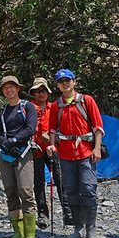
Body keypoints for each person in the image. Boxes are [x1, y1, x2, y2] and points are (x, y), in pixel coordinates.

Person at [46, 69, 105, 238]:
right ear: (57, 85)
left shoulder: (86, 100)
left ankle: (91, 229)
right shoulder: (56, 106)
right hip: (65, 154)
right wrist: (52, 144)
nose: (65, 84)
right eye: (61, 81)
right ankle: (78, 228)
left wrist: (97, 148)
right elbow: (53, 129)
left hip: (86, 152)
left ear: (74, 82)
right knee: (70, 191)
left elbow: (97, 126)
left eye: (68, 80)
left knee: (88, 189)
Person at [0, 76, 39, 238]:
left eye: (11, 87)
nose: (8, 90)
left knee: (26, 191)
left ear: (18, 89)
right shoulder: (2, 111)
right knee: (10, 191)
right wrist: (4, 143)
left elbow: (30, 129)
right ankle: (17, 233)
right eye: (5, 88)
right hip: (6, 155)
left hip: (24, 153)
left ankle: (30, 236)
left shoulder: (27, 107)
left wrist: (13, 141)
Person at [29, 77, 71, 229]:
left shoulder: (55, 107)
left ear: (48, 92)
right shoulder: (29, 107)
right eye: (37, 91)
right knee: (38, 183)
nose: (40, 94)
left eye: (43, 90)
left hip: (53, 148)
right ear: (33, 93)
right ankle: (42, 214)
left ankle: (68, 212)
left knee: (61, 180)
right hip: (36, 150)